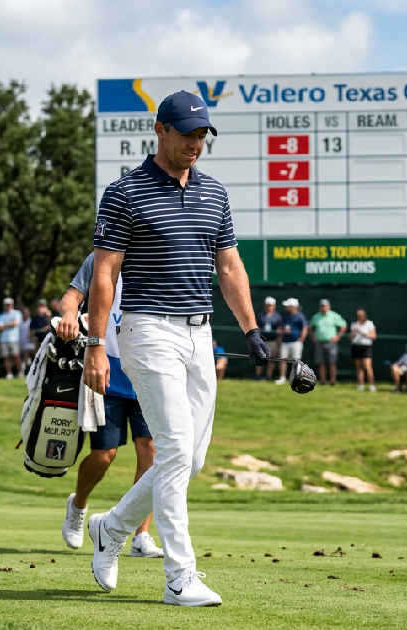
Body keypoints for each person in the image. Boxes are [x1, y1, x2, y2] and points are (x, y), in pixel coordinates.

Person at [81, 90, 269, 607]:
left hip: (199, 334)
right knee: (174, 449)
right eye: (185, 133)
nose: (194, 143)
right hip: (147, 330)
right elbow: (104, 273)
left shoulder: (214, 193)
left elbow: (229, 267)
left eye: (201, 135)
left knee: (190, 458)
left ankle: (111, 528)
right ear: (159, 130)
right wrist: (96, 345)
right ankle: (179, 576)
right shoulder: (125, 192)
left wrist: (251, 331)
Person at [57, 252, 165, 560]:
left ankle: (141, 535)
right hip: (106, 371)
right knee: (104, 456)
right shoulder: (100, 256)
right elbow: (71, 297)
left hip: (147, 370)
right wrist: (68, 316)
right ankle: (79, 504)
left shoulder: (157, 252)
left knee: (152, 453)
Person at [310, 299, 346, 387]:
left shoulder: (334, 316)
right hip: (319, 342)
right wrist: (313, 337)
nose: (323, 308)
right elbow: (311, 327)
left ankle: (332, 380)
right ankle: (323, 380)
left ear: (329, 306)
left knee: (332, 362)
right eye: (322, 306)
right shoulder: (316, 316)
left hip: (331, 342)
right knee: (321, 362)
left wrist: (338, 336)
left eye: (325, 306)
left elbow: (343, 325)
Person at [276, 298, 308, 386]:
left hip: (295, 342)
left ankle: (296, 378)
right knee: (283, 360)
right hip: (285, 341)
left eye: (288, 306)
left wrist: (301, 339)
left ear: (293, 307)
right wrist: (281, 335)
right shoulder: (285, 316)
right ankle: (282, 377)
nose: (286, 308)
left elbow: (305, 328)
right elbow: (282, 328)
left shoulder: (300, 316)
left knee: (296, 362)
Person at [255, 297, 283, 381]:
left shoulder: (277, 316)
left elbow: (280, 328)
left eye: (270, 305)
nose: (269, 307)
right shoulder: (260, 315)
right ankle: (258, 376)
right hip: (262, 340)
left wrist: (279, 338)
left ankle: (268, 377)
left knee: (271, 359)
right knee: (260, 358)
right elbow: (257, 326)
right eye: (267, 305)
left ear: (274, 306)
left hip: (273, 341)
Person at [350, 309, 376, 392]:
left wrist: (362, 332)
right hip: (356, 346)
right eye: (358, 315)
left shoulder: (369, 324)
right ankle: (361, 385)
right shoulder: (354, 324)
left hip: (366, 346)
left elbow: (373, 336)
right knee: (359, 367)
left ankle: (372, 385)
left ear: (364, 316)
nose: (359, 317)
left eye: (361, 315)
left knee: (367, 366)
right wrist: (353, 333)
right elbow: (350, 338)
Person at [0, 298, 23, 379]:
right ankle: (9, 374)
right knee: (6, 357)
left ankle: (20, 372)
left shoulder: (17, 313)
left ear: (12, 305)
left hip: (14, 338)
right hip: (4, 339)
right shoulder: (1, 315)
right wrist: (9, 324)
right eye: (6, 305)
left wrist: (5, 325)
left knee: (16, 356)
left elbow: (16, 323)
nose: (7, 306)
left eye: (9, 305)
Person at [29, 299, 52, 365]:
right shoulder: (35, 318)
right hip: (37, 337)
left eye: (42, 306)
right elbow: (31, 330)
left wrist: (48, 315)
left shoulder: (47, 316)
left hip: (46, 336)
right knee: (36, 349)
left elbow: (50, 325)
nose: (41, 308)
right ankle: (37, 364)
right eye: (39, 306)